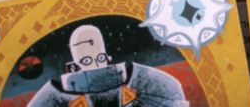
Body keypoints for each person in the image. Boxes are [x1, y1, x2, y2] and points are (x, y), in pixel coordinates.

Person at [27, 24, 188, 106]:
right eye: (86, 60)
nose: (95, 63)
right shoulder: (53, 97)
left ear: (106, 57)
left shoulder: (145, 82)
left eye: (99, 58)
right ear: (74, 65)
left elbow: (172, 97)